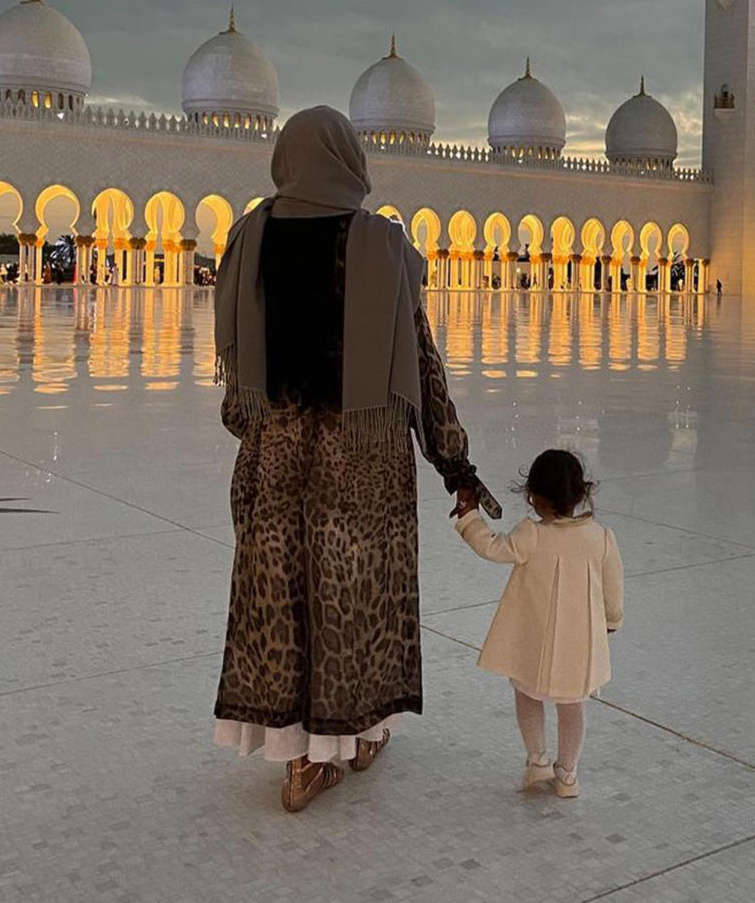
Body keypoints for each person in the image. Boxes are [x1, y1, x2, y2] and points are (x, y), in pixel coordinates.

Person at [211, 106, 498, 814]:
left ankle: (296, 764)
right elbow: (422, 371)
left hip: (274, 460)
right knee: (356, 602)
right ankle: (356, 741)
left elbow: (235, 397)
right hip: (362, 465)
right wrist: (455, 467)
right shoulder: (381, 245)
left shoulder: (249, 238)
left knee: (281, 604)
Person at [454, 449, 623, 799]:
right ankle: (568, 773)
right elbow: (613, 585)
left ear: (532, 496)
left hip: (534, 642)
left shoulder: (531, 534)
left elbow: (492, 547)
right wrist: (610, 619)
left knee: (528, 694)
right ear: (581, 493)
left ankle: (537, 760)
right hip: (578, 644)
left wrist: (470, 516)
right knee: (573, 704)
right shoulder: (601, 538)